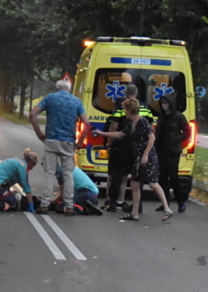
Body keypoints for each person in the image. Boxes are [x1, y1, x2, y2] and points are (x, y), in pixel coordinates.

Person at [93, 97, 172, 221]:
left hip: (148, 157)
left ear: (129, 110)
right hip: (138, 157)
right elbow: (119, 134)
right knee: (135, 184)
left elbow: (151, 137)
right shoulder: (131, 124)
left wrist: (146, 154)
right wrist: (102, 133)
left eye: (125, 109)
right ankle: (134, 213)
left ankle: (167, 208)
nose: (124, 111)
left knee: (152, 183)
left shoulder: (142, 122)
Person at [30, 80, 90, 216]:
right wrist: (80, 141)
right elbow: (86, 123)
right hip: (68, 141)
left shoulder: (50, 98)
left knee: (50, 173)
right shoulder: (76, 101)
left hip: (51, 139)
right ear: (69, 89)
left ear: (57, 89)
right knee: (68, 174)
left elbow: (32, 114)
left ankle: (45, 204)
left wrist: (39, 132)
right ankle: (69, 206)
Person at [105, 82, 154, 212]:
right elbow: (151, 130)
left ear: (126, 94)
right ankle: (138, 206)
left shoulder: (122, 108)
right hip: (138, 148)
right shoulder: (146, 110)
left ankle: (113, 203)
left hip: (121, 147)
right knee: (137, 178)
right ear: (137, 94)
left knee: (117, 175)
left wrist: (109, 144)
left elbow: (114, 127)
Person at [155, 91, 191, 213]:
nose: (163, 106)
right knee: (162, 177)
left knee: (173, 176)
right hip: (161, 149)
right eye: (162, 103)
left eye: (165, 103)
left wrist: (178, 138)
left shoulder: (178, 117)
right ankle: (165, 203)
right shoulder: (161, 116)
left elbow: (187, 131)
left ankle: (180, 201)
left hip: (173, 151)